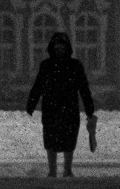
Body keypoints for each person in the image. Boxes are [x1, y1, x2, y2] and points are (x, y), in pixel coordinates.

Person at [25, 31, 95, 179]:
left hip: (68, 109)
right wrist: (31, 103)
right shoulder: (47, 65)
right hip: (52, 109)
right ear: (53, 48)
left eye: (62, 46)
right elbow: (38, 86)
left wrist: (89, 110)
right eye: (57, 46)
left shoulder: (75, 65)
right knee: (51, 140)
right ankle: (52, 171)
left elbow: (84, 89)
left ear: (67, 47)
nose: (60, 49)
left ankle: (67, 170)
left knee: (69, 140)